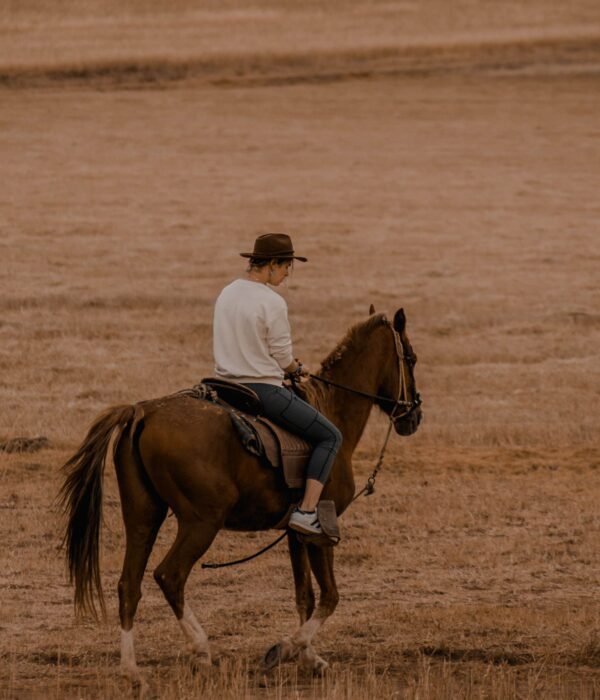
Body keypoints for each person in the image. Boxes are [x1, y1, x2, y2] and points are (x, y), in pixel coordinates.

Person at [212, 233, 342, 536]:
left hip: (223, 385)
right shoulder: (272, 301)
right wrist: (297, 369)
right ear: (270, 265)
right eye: (286, 267)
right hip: (261, 390)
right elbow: (282, 355)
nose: (286, 274)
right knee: (330, 437)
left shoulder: (227, 292)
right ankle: (307, 512)